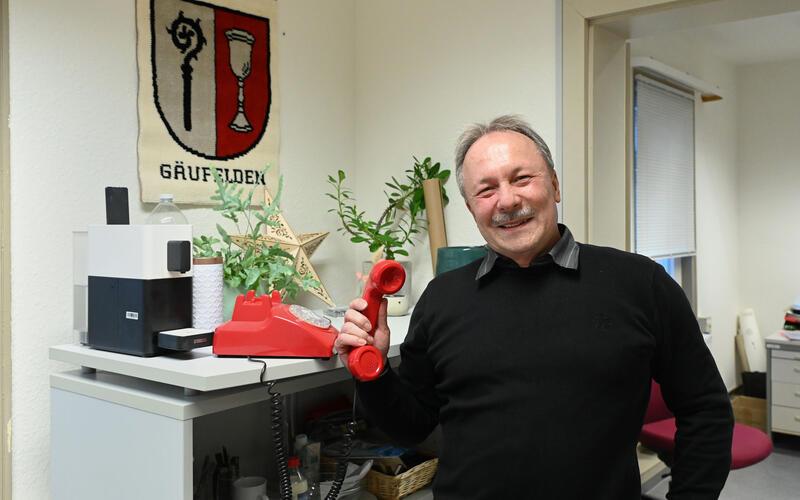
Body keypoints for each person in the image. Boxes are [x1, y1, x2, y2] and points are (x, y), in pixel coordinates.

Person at [334, 115, 733, 499]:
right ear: (472, 208)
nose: (506, 201)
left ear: (555, 186)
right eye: (485, 190)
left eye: (522, 178)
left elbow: (705, 411)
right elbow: (411, 426)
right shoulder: (443, 297)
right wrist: (376, 370)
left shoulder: (641, 284)